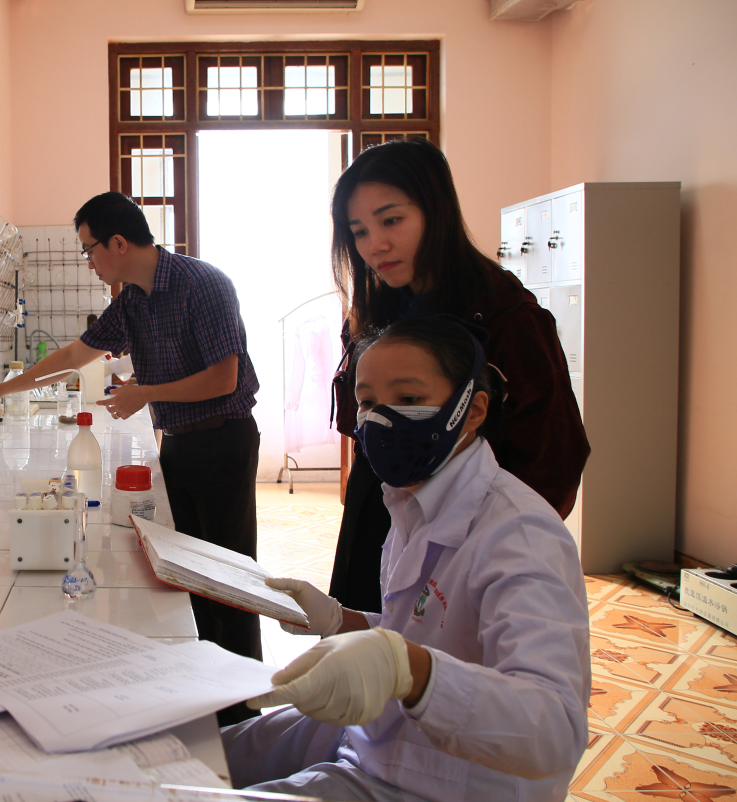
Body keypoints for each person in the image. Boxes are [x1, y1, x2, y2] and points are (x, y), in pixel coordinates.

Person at [224, 317, 589, 802]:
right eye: (368, 402)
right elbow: (423, 633)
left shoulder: (520, 535)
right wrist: (339, 620)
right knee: (190, 752)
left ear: (474, 410)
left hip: (450, 781)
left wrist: (407, 668)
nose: (381, 420)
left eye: (410, 399)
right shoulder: (411, 500)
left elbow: (555, 731)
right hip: (379, 735)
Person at [0, 192, 263, 721]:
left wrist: (146, 393)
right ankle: (211, 699)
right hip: (181, 443)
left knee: (231, 578)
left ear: (118, 243)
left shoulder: (203, 284)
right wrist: (0, 390)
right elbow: (74, 355)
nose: (89, 262)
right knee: (192, 576)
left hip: (224, 441)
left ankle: (246, 712)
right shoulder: (133, 302)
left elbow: (225, 378)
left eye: (89, 249)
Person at [328, 139, 589, 613]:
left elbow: (554, 457)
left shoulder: (507, 316)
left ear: (437, 212)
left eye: (391, 220)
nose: (375, 245)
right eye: (359, 231)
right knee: (371, 640)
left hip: (467, 532)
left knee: (443, 649)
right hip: (381, 512)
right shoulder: (374, 310)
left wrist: (494, 540)